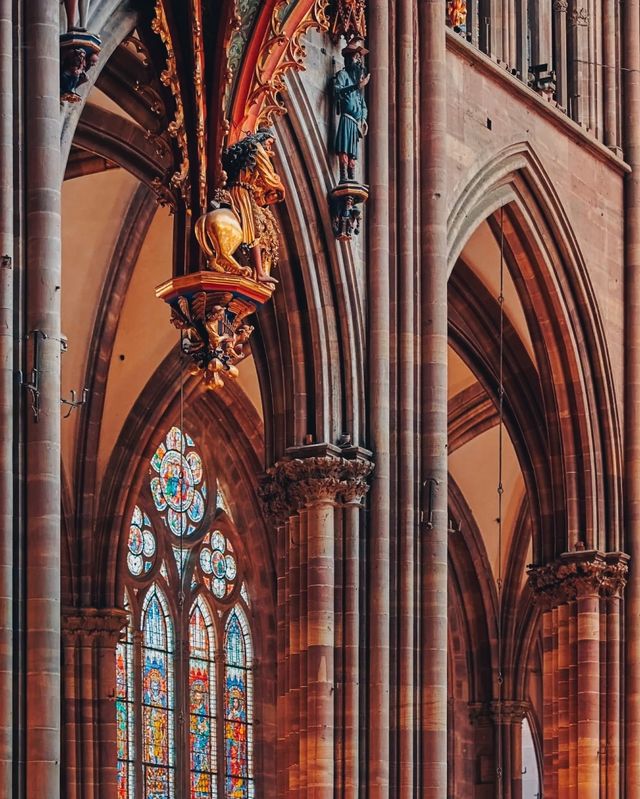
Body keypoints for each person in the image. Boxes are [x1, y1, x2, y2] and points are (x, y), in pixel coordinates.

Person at [334, 37, 370, 182]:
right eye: (356, 57)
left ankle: (351, 177)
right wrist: (357, 86)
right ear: (349, 59)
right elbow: (338, 91)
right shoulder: (343, 75)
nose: (359, 61)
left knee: (353, 157)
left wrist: (363, 119)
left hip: (355, 123)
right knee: (344, 151)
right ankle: (343, 178)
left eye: (359, 58)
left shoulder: (357, 84)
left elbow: (363, 105)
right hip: (346, 119)